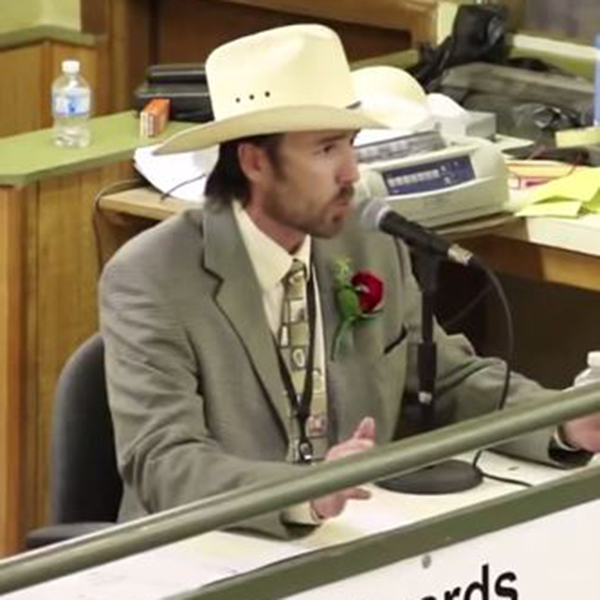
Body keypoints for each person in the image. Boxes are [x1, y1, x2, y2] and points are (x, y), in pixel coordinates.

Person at [100, 24, 600, 538]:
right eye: (325, 150)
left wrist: (562, 422)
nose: (351, 171)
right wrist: (302, 492)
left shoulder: (367, 239)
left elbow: (446, 379)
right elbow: (163, 462)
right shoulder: (150, 279)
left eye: (352, 144)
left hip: (349, 541)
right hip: (206, 555)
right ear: (253, 160)